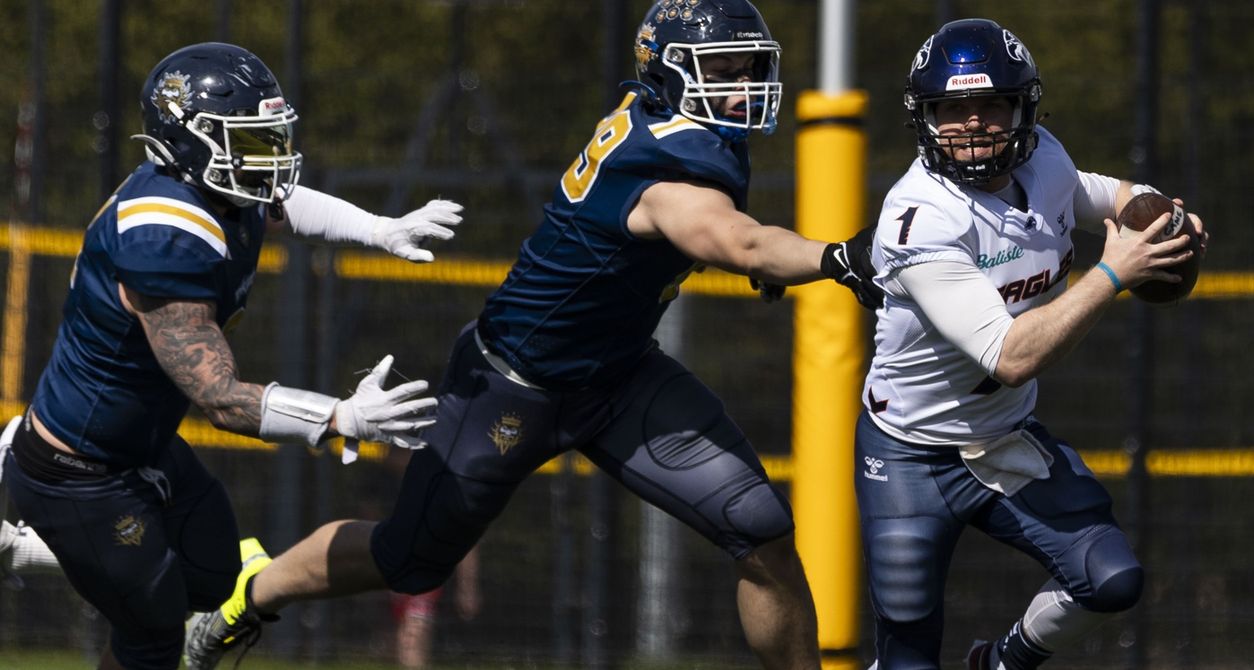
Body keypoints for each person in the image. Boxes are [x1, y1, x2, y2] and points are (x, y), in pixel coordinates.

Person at [184, 2, 876, 668]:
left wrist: (760, 260)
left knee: (761, 531)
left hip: (620, 378)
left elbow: (723, 234)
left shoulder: (669, 122)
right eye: (723, 72)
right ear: (668, 71)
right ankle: (249, 592)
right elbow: (741, 242)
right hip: (512, 384)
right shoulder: (664, 167)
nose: (744, 88)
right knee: (408, 560)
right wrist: (841, 257)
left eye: (749, 68)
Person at [1, 42, 461, 670]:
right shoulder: (163, 232)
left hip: (143, 445)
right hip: (80, 468)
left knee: (214, 576)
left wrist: (379, 228)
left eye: (270, 138)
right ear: (187, 141)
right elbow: (219, 398)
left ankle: (40, 549)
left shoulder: (218, 189)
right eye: (248, 141)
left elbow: (287, 202)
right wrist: (339, 417)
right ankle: (59, 535)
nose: (270, 158)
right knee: (154, 636)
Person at [851, 19, 1207, 670]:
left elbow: (1110, 195)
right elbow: (1011, 357)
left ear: (1023, 108)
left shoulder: (1044, 158)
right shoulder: (920, 217)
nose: (973, 123)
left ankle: (999, 662)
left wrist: (1165, 216)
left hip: (1004, 438)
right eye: (952, 109)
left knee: (1110, 579)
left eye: (991, 104)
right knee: (908, 653)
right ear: (924, 119)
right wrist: (1113, 273)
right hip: (908, 453)